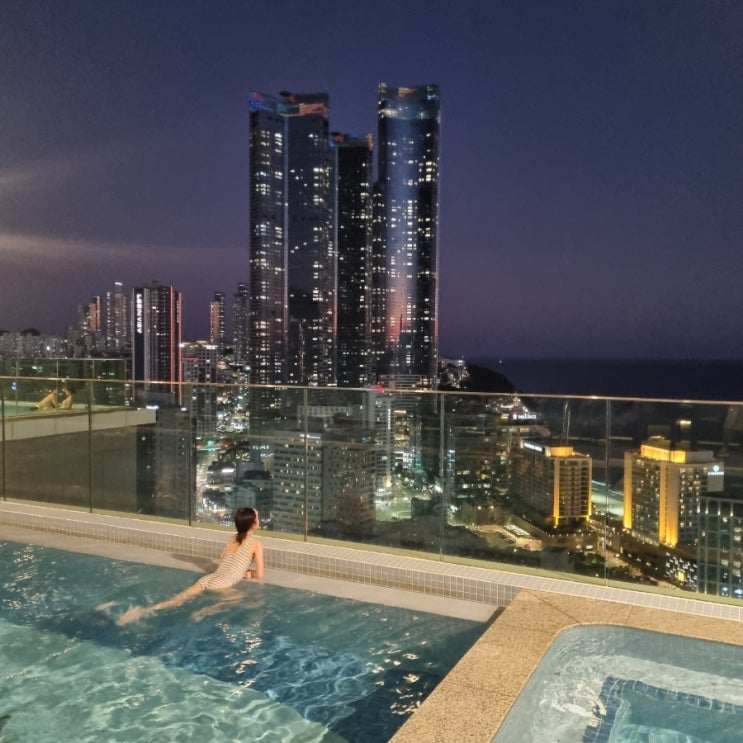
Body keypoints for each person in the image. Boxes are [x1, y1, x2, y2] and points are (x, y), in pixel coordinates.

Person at [116, 507, 264, 625]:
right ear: (253, 524)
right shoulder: (256, 543)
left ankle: (142, 612)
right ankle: (204, 612)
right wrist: (248, 573)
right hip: (222, 583)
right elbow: (260, 574)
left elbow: (223, 562)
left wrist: (240, 570)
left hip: (208, 579)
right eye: (257, 518)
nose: (259, 520)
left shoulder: (231, 539)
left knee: (176, 601)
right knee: (236, 599)